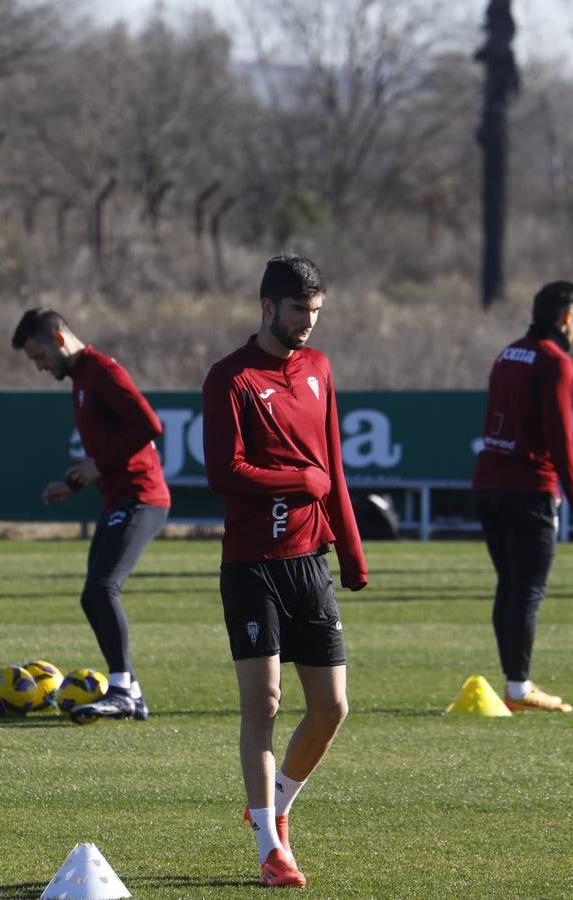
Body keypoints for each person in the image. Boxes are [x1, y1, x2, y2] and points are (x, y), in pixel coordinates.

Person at [202, 254, 367, 889]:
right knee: (263, 702)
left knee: (331, 708)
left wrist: (351, 548)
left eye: (317, 313)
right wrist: (297, 481)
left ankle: (274, 802)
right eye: (299, 311)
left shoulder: (320, 370)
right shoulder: (230, 378)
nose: (308, 324)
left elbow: (334, 468)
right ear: (268, 307)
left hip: (310, 561)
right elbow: (225, 473)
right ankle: (270, 846)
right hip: (250, 565)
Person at [10, 308, 170, 722]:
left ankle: (121, 689)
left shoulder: (103, 372)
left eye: (40, 356)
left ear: (59, 340)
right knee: (93, 593)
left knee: (101, 589)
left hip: (142, 497)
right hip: (119, 499)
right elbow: (111, 446)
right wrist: (76, 483)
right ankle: (130, 690)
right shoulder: (82, 379)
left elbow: (148, 425)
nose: (41, 367)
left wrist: (97, 466)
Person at [472, 281, 573, 714]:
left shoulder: (509, 353)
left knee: (509, 586)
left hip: (488, 482)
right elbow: (561, 439)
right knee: (527, 591)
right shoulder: (556, 362)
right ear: (565, 317)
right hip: (528, 488)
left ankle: (515, 682)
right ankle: (519, 688)